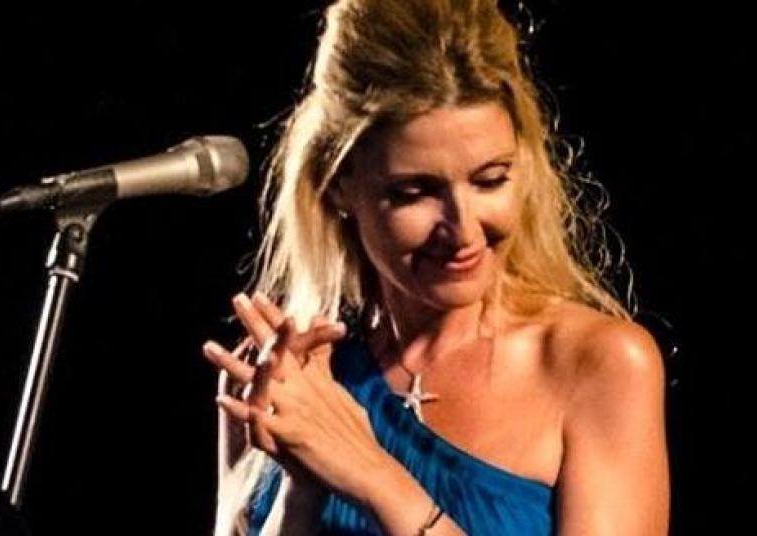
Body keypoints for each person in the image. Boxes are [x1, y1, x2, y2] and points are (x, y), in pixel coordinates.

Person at [202, 0, 670, 534]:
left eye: (490, 180)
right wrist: (302, 488)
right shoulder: (282, 371)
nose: (463, 231)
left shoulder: (600, 364)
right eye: (415, 192)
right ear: (338, 186)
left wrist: (375, 477)